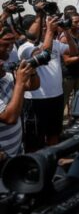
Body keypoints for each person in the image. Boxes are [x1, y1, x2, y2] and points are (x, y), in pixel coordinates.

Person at [20, 15, 78, 151]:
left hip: (56, 96)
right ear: (28, 30)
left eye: (45, 26)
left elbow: (74, 51)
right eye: (42, 26)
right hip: (36, 99)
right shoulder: (25, 47)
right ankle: (36, 162)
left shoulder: (55, 43)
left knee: (54, 134)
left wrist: (66, 31)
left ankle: (53, 159)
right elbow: (42, 56)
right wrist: (50, 32)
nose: (45, 28)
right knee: (36, 138)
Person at [0, 29, 39, 157]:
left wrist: (32, 71)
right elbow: (9, 117)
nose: (10, 48)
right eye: (5, 44)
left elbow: (32, 86)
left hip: (16, 151)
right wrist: (20, 82)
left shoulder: (6, 75)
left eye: (12, 43)